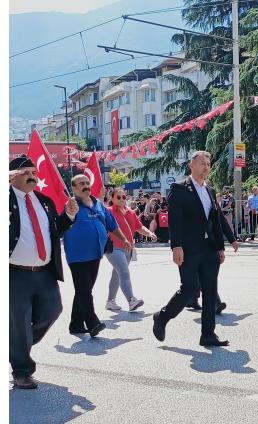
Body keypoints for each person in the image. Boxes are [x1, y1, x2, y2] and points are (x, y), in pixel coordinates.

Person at [152, 151, 239, 347]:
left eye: (208, 164)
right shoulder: (180, 188)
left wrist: (225, 244)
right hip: (189, 248)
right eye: (202, 163)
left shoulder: (209, 190)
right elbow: (175, 219)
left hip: (209, 249)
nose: (206, 167)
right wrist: (176, 246)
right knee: (189, 289)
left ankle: (208, 335)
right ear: (191, 166)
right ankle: (162, 317)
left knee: (210, 290)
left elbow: (216, 220)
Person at [9, 156, 78, 389]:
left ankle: (17, 342)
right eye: (26, 172)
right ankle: (22, 371)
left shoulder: (45, 201)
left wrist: (68, 216)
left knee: (52, 310)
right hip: (14, 274)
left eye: (34, 172)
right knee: (18, 322)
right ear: (11, 177)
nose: (32, 175)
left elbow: (54, 231)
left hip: (44, 272)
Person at [63, 174, 131, 338]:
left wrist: (124, 239)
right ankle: (92, 322)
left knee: (83, 289)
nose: (85, 185)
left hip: (95, 254)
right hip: (77, 255)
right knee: (84, 290)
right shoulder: (71, 205)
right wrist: (68, 212)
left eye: (87, 182)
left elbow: (111, 224)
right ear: (73, 188)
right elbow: (63, 222)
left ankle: (76, 324)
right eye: (81, 183)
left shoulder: (98, 204)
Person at [105, 187, 157, 312]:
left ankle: (110, 301)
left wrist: (150, 233)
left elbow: (139, 227)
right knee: (123, 272)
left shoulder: (130, 212)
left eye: (124, 197)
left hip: (128, 248)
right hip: (113, 247)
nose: (122, 199)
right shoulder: (108, 211)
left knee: (117, 274)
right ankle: (131, 300)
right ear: (112, 198)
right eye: (118, 197)